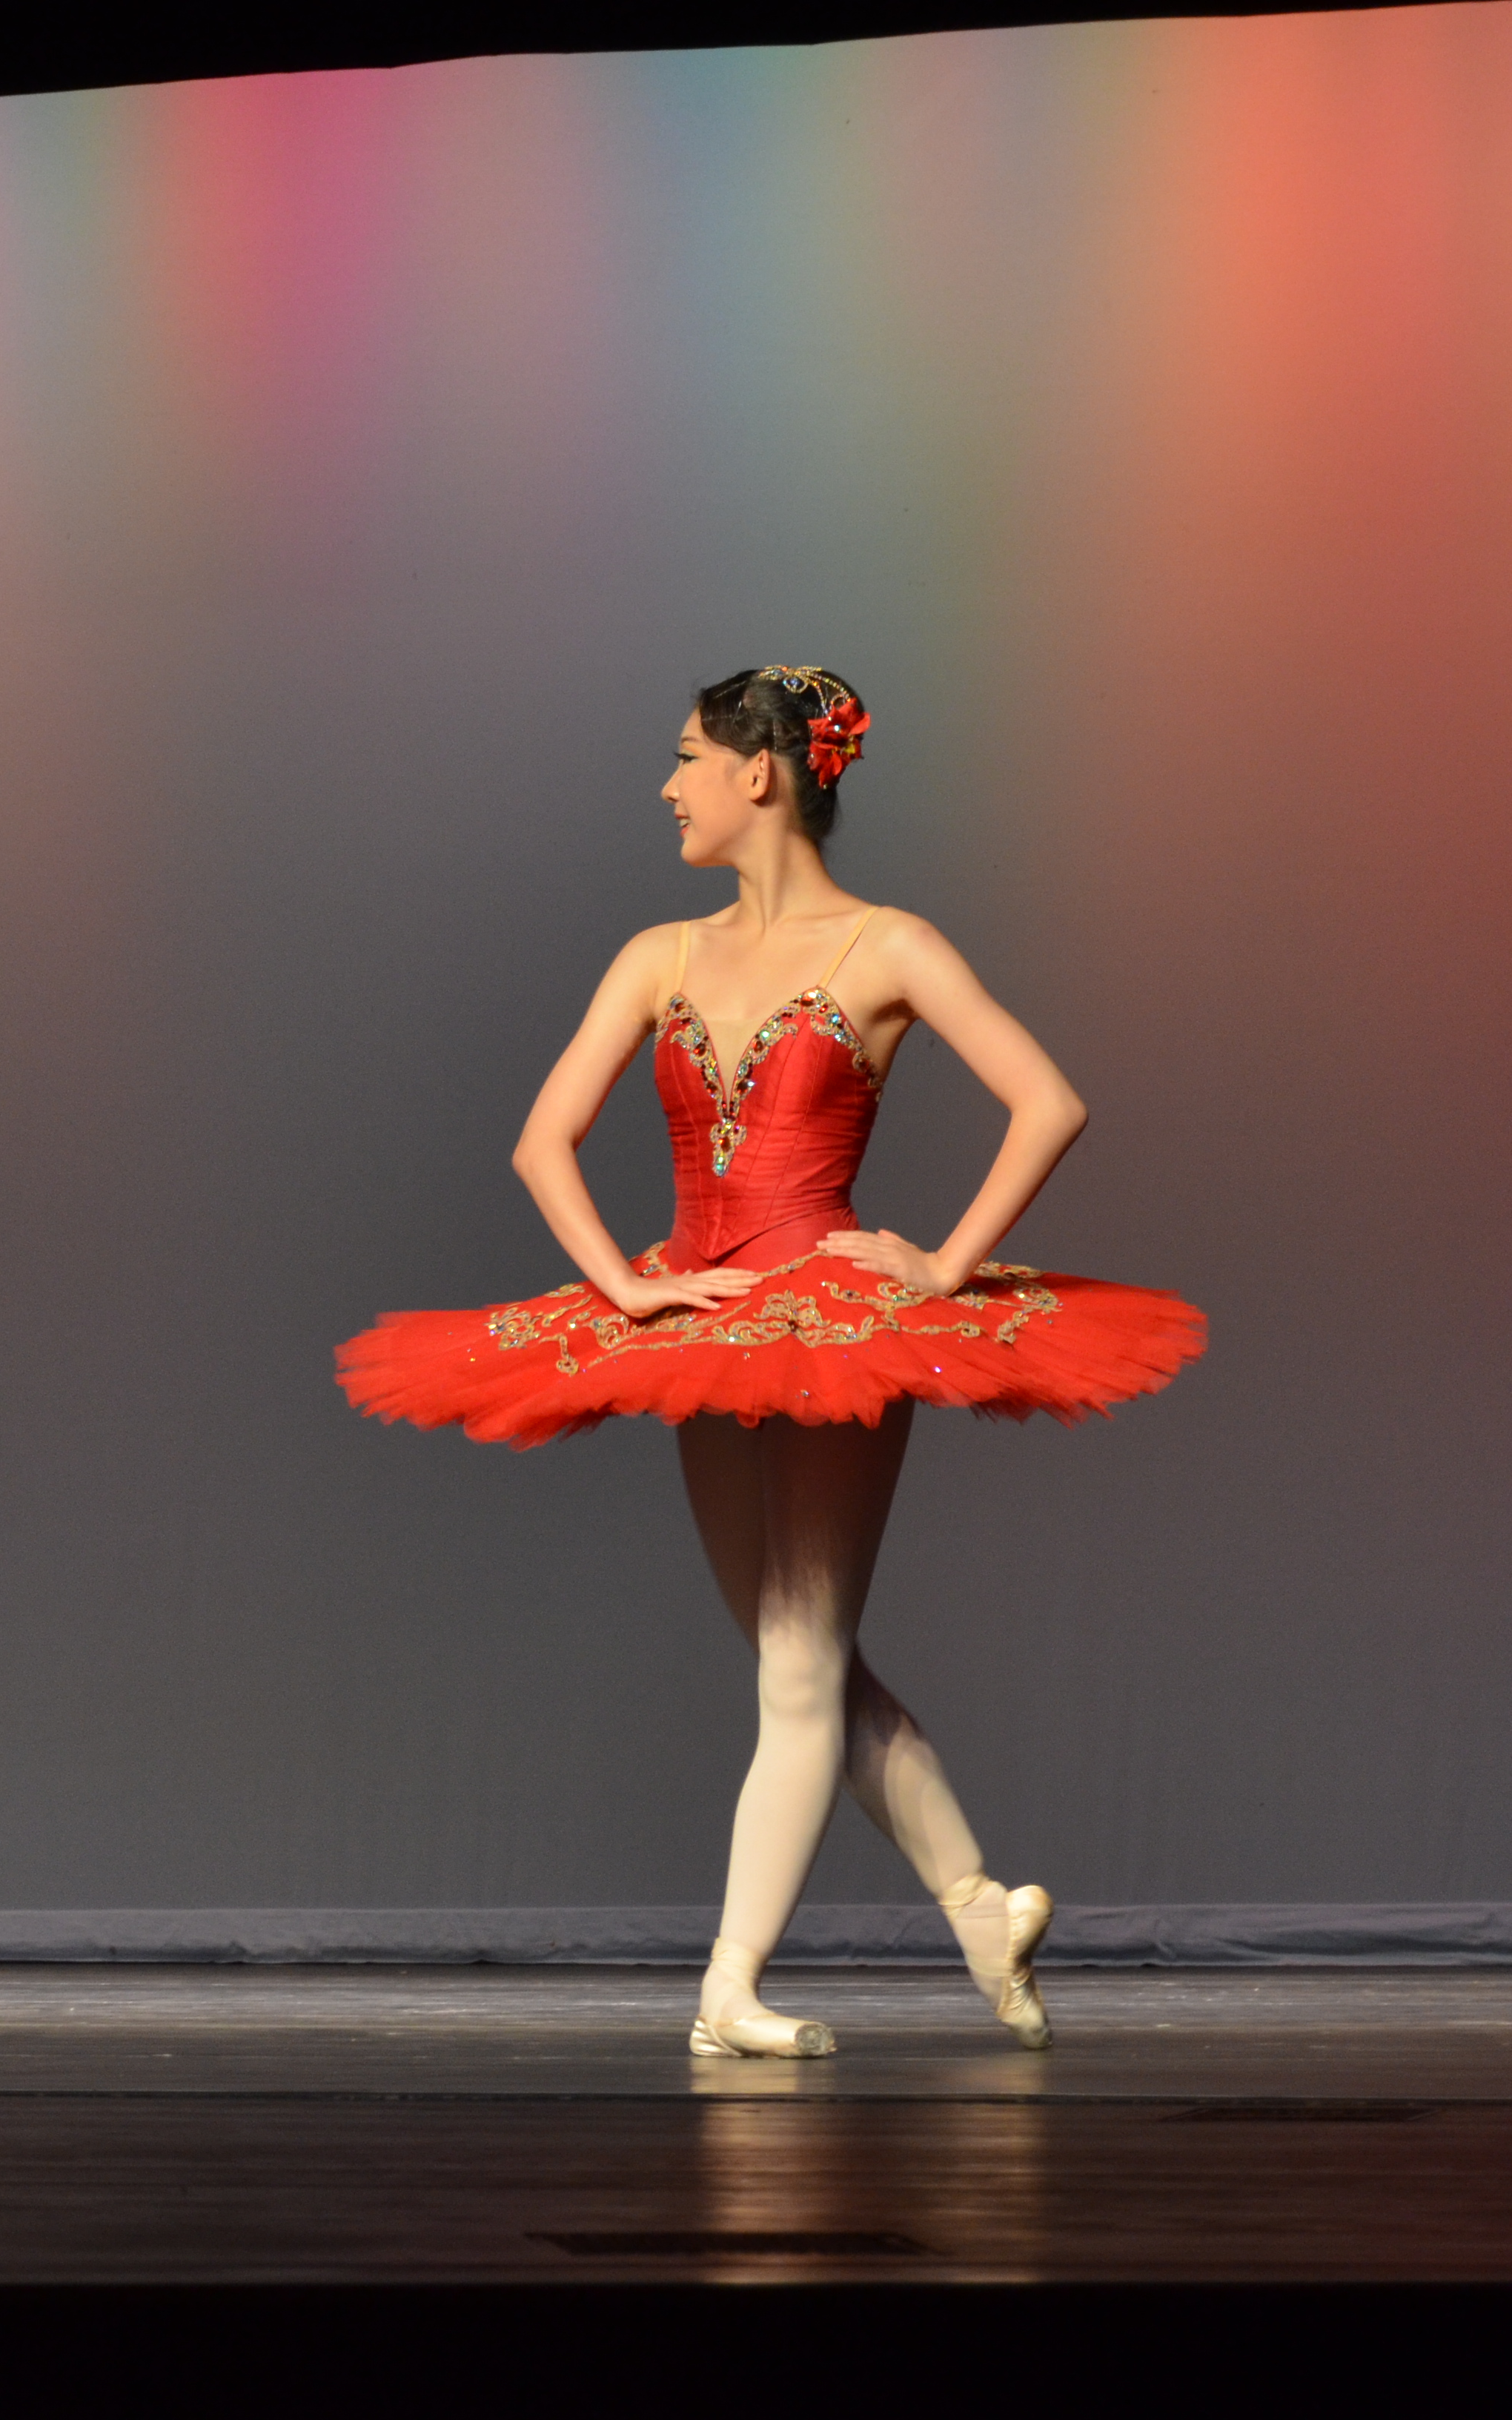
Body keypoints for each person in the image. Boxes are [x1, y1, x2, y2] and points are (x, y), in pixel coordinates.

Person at [338, 670, 1201, 2058]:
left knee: (798, 1671)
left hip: (834, 1332)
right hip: (702, 1327)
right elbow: (540, 1142)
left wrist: (944, 1264)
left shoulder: (887, 946)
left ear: (759, 773)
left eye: (685, 758)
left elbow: (1050, 1102)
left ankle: (726, 1991)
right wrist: (629, 1286)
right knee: (803, 1663)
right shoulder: (658, 955)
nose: (667, 785)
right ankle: (977, 1906)